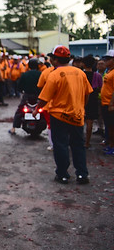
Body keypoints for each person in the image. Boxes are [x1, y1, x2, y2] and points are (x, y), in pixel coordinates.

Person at [36, 45, 92, 185]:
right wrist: (81, 107)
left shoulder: (54, 74)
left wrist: (37, 109)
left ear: (55, 59)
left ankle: (63, 174)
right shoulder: (80, 73)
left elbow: (44, 97)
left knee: (61, 145)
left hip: (59, 116)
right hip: (77, 114)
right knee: (78, 145)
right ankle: (82, 174)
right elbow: (87, 94)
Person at [9, 59, 41, 135]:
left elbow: (19, 87)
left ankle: (13, 128)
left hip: (27, 96)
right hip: (38, 96)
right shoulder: (41, 74)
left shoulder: (25, 75)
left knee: (19, 110)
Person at [82, 55, 102, 148]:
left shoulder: (80, 74)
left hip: (81, 98)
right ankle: (87, 142)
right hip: (93, 98)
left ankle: (79, 140)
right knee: (90, 122)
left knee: (80, 121)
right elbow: (100, 88)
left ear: (83, 64)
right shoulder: (97, 75)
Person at [99, 50, 114, 155]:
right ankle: (110, 144)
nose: (105, 61)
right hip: (104, 102)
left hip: (110, 104)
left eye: (108, 59)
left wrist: (112, 104)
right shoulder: (108, 71)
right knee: (108, 126)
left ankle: (112, 146)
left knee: (112, 126)